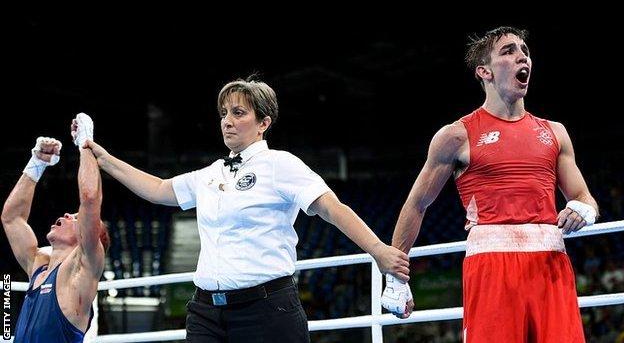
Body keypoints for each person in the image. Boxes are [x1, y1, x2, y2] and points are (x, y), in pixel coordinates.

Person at [85, 77, 410, 342]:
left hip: (266, 312)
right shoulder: (212, 172)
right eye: (224, 113)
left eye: (238, 113)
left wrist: (378, 249)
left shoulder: (280, 164)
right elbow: (158, 189)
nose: (227, 121)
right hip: (206, 313)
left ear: (263, 123)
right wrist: (103, 158)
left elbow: (330, 207)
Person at [381, 26, 599, 342]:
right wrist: (396, 278)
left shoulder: (555, 132)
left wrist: (584, 209)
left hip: (552, 265)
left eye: (524, 50)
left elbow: (583, 196)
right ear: (485, 71)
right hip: (492, 267)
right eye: (508, 51)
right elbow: (417, 204)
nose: (521, 56)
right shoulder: (456, 136)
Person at [1, 113, 110, 342]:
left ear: (87, 236)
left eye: (76, 218)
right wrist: (36, 165)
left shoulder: (81, 273)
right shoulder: (38, 265)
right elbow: (11, 219)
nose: (67, 214)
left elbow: (90, 198)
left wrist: (85, 144)